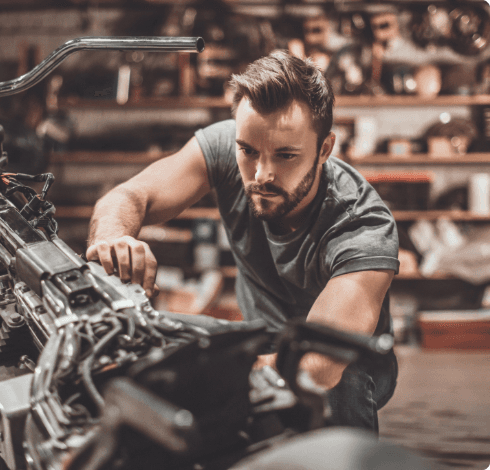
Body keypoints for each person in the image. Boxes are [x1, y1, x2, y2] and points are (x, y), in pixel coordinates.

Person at [86, 51, 400, 433]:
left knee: (332, 383)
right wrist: (112, 239)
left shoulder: (362, 226)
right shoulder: (225, 144)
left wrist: (199, 373)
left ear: (324, 149)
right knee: (129, 335)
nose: (262, 174)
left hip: (342, 359)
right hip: (259, 339)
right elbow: (130, 196)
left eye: (286, 155)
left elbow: (319, 363)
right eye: (248, 151)